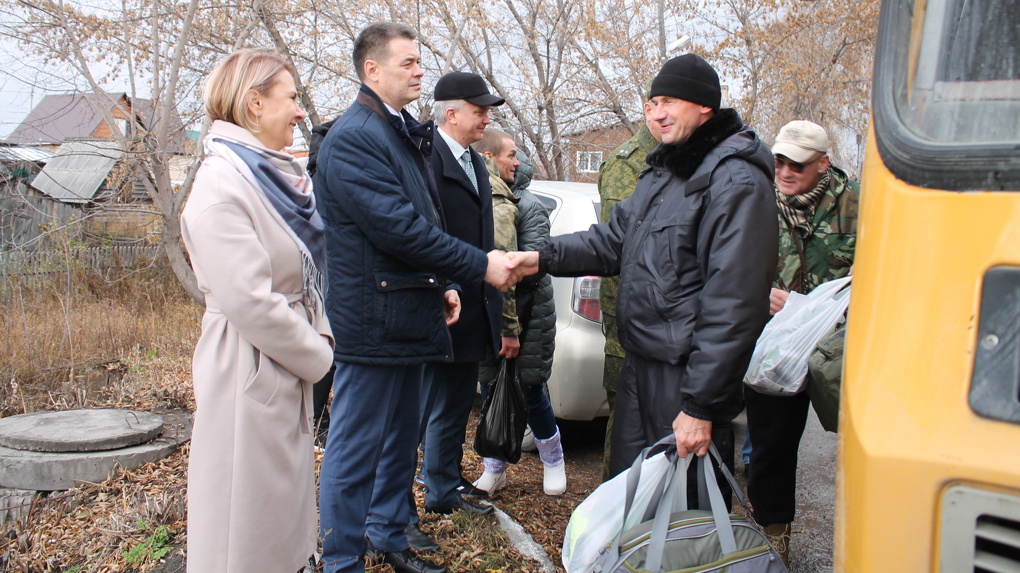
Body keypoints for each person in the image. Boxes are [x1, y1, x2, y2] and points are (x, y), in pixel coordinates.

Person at [508, 54, 778, 504]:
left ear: (705, 107)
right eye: (652, 103)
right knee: (629, 499)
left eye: (669, 101)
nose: (656, 113)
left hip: (684, 380)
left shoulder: (736, 181)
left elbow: (734, 304)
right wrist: (537, 257)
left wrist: (700, 406)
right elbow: (613, 240)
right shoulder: (666, 170)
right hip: (639, 367)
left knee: (681, 515)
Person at [313, 22, 514, 573]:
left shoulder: (398, 131)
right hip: (372, 321)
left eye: (420, 62)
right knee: (355, 450)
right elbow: (398, 229)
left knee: (401, 440)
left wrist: (444, 286)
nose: (420, 71)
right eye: (407, 62)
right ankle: (341, 559)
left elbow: (424, 217)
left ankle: (387, 534)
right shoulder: (355, 137)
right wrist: (478, 267)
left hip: (407, 310)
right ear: (372, 70)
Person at [180, 48, 334, 573]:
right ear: (252, 104)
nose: (299, 111)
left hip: (276, 361)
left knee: (277, 518)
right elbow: (250, 301)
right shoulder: (223, 184)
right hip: (249, 368)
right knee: (242, 528)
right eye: (290, 98)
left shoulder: (270, 175)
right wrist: (317, 355)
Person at [743, 120, 859, 565]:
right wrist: (760, 295)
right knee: (770, 446)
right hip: (778, 346)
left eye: (798, 164)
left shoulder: (857, 206)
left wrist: (819, 308)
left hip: (842, 345)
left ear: (823, 163)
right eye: (780, 161)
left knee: (859, 441)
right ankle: (774, 537)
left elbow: (890, 273)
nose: (786, 171)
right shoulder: (760, 203)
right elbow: (736, 263)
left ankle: (871, 536)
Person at [412, 71, 505, 532]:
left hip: (475, 301)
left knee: (455, 401)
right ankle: (439, 489)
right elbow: (427, 235)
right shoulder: (427, 160)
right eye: (478, 110)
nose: (486, 118)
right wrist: (446, 284)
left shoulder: (474, 160)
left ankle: (446, 478)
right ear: (451, 113)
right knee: (442, 403)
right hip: (449, 302)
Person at [472, 130, 566, 496]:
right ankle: (494, 467)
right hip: (491, 313)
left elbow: (535, 265)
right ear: (490, 158)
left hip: (528, 316)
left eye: (516, 157)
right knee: (489, 386)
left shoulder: (527, 206)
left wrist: (498, 281)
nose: (517, 162)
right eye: (510, 156)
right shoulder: (482, 197)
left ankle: (553, 459)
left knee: (529, 390)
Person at [596, 100, 661, 481]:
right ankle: (614, 521)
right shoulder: (628, 163)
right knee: (627, 429)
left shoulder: (686, 158)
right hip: (632, 320)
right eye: (661, 105)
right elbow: (622, 249)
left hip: (670, 325)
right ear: (648, 109)